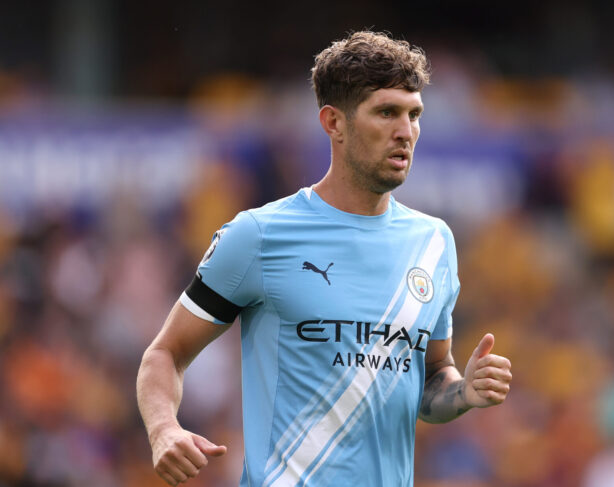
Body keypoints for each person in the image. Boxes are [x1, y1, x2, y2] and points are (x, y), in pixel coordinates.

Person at [136, 31, 512, 487]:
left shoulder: (434, 242)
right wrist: (163, 430)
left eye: (414, 114)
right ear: (334, 123)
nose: (405, 131)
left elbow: (432, 380)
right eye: (386, 112)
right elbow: (165, 353)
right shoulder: (259, 235)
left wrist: (464, 393)